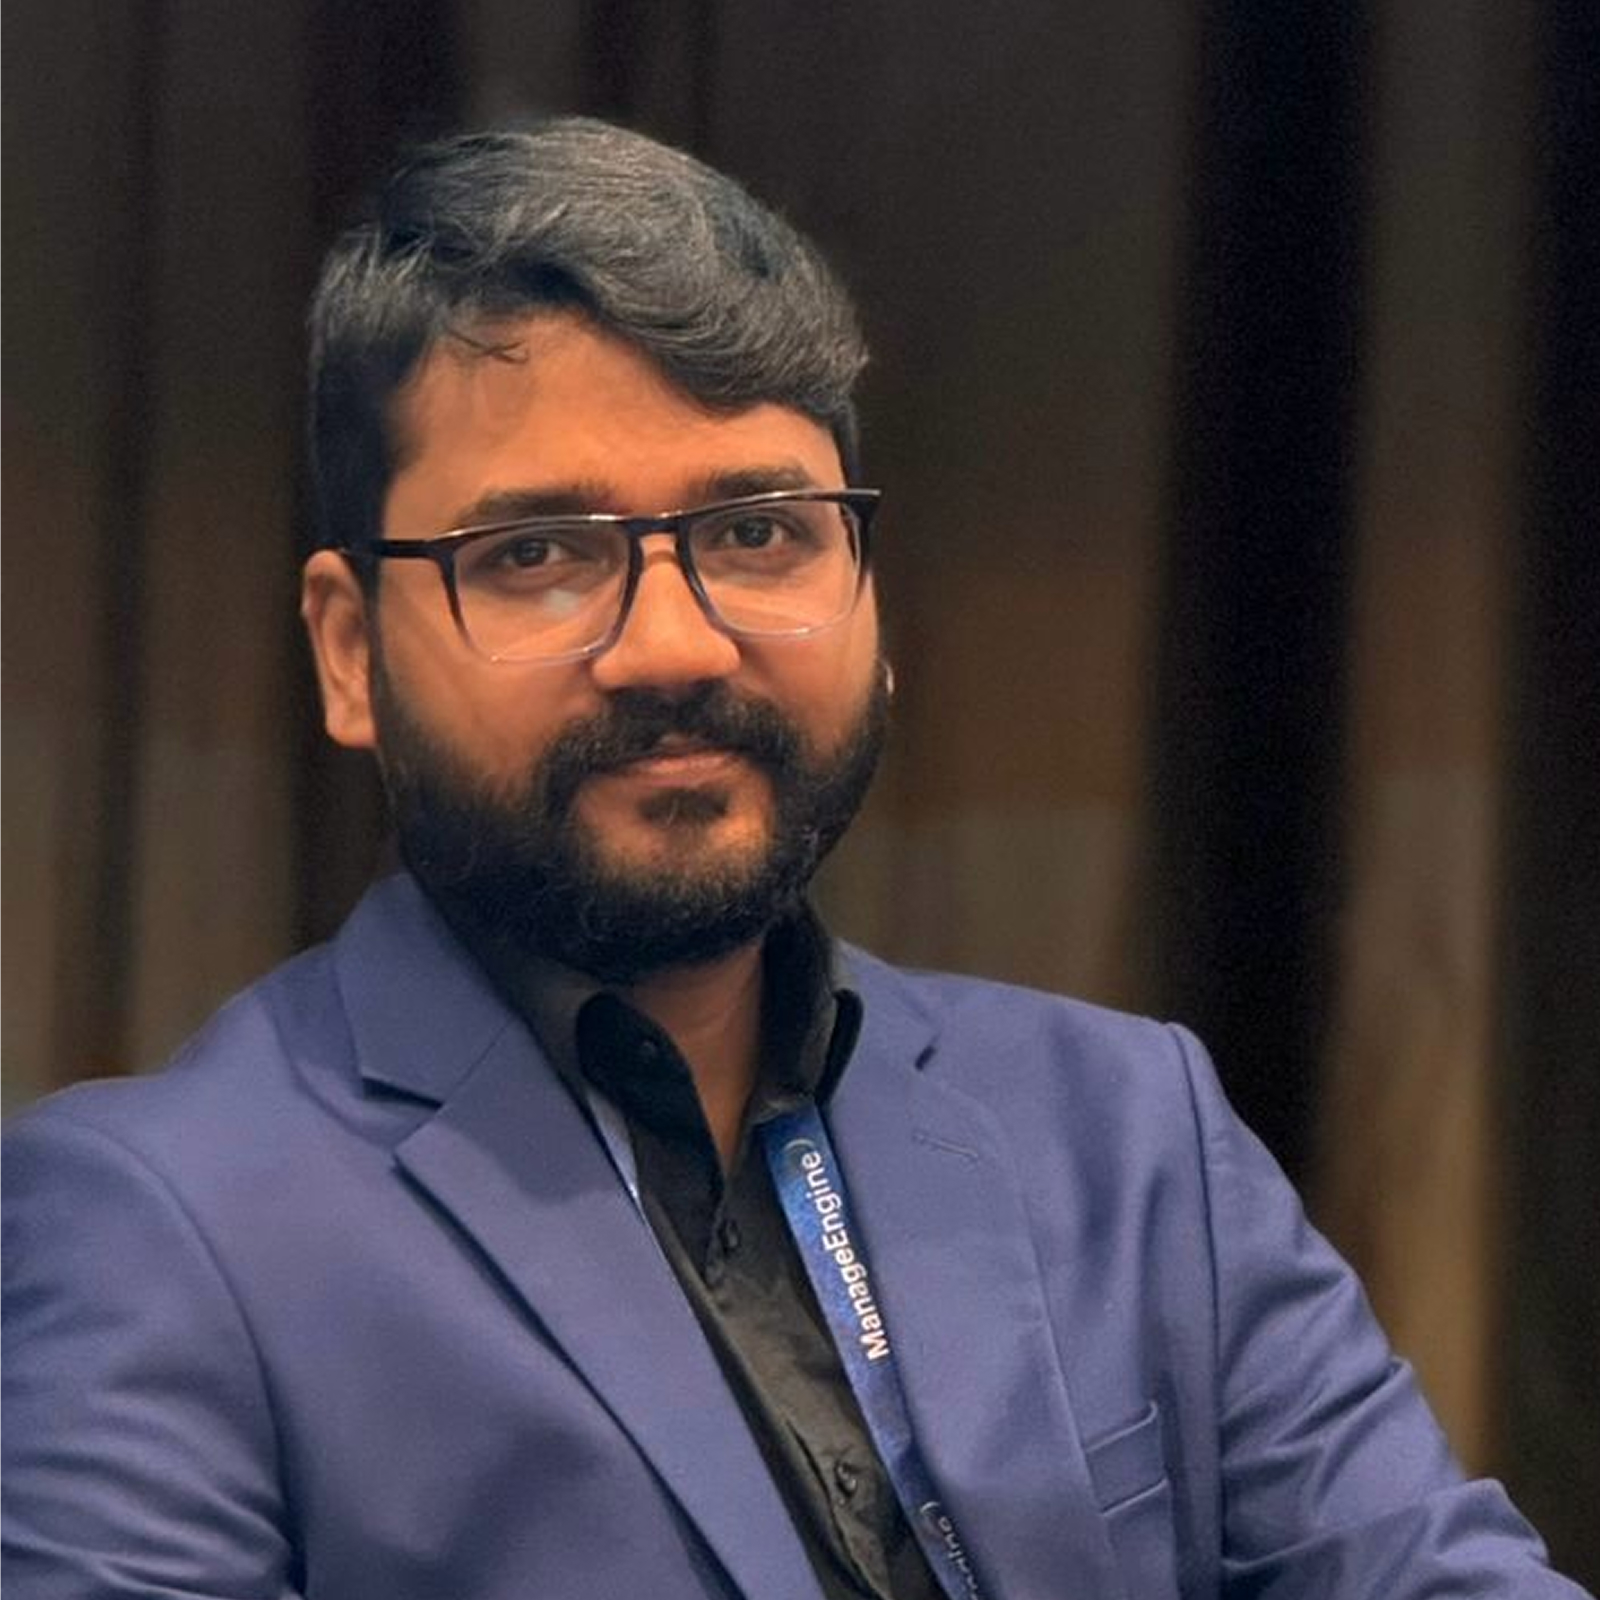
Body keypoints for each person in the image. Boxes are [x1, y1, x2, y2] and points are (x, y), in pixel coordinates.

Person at [2, 119, 1587, 1600]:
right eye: (538, 555)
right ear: (351, 653)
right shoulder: (166, 1229)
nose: (675, 645)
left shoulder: (1128, 1139)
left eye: (758, 532)